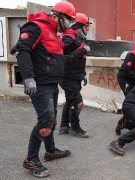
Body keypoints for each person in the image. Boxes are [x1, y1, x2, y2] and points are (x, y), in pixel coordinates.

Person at [13, 1, 76, 178]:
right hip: (39, 84)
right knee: (45, 121)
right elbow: (22, 49)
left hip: (51, 83)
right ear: (57, 16)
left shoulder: (54, 34)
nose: (69, 25)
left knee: (51, 120)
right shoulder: (36, 27)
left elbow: (55, 56)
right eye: (68, 21)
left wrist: (76, 41)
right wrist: (28, 77)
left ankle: (50, 151)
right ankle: (31, 159)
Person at [59, 13, 91, 138]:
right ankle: (75, 128)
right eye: (86, 26)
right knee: (78, 103)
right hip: (67, 76)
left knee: (70, 100)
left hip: (75, 76)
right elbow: (66, 59)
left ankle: (64, 126)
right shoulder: (67, 38)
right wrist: (83, 50)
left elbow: (79, 60)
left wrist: (83, 75)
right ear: (78, 26)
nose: (87, 29)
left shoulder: (78, 38)